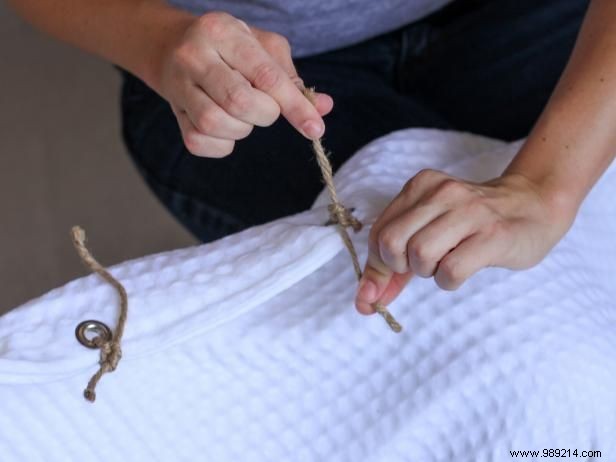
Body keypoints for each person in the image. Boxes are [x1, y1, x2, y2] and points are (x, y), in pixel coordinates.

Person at [9, 0, 615, 317]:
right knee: (446, 306)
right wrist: (160, 42)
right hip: (229, 58)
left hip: (536, 19)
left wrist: (546, 187)